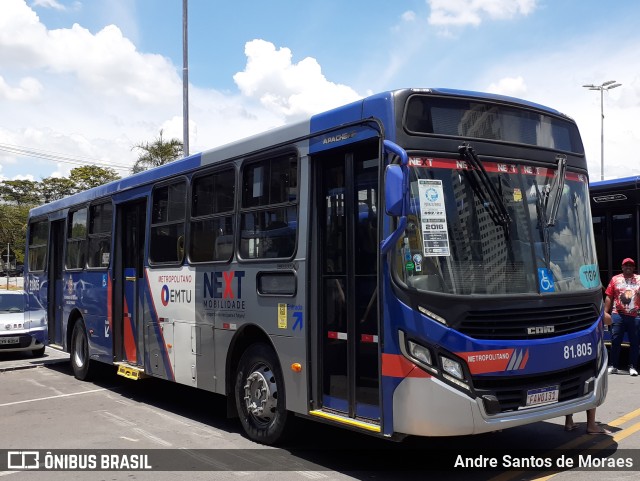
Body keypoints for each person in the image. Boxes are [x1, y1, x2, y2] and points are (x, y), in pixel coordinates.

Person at [605, 258, 640, 376]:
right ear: (622, 267)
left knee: (635, 342)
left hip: (634, 316)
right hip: (618, 314)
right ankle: (613, 365)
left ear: (634, 267)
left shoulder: (639, 280)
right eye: (626, 265)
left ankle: (633, 367)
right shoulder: (615, 279)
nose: (628, 267)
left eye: (631, 265)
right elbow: (609, 296)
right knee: (615, 341)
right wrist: (606, 312)